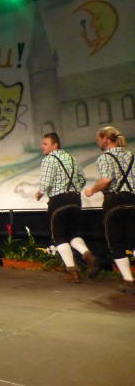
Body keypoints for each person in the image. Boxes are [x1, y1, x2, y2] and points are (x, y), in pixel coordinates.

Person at [35, 132, 99, 282]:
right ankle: (88, 255)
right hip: (75, 200)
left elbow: (46, 183)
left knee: (58, 236)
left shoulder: (49, 160)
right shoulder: (71, 158)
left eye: (45, 144)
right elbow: (82, 179)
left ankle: (73, 272)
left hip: (58, 201)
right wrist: (73, 189)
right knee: (72, 234)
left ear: (55, 145)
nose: (42, 146)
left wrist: (39, 193)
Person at [84, 126, 135, 294]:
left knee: (116, 243)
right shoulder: (131, 155)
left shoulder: (105, 157)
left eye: (98, 139)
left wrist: (91, 190)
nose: (97, 142)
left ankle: (129, 281)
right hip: (133, 200)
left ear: (106, 139)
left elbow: (106, 180)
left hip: (114, 202)